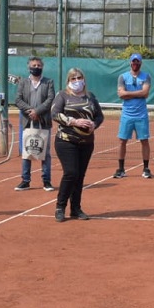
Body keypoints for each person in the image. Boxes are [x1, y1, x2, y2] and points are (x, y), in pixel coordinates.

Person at [51, 67, 104, 223]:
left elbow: (100, 116)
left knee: (80, 176)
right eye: (73, 78)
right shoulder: (62, 95)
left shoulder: (90, 96)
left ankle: (76, 208)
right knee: (71, 173)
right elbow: (54, 114)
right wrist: (73, 121)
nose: (76, 81)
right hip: (66, 141)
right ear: (68, 81)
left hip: (87, 143)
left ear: (84, 79)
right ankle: (60, 207)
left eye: (79, 78)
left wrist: (95, 124)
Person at [14, 56, 55, 192]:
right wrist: (30, 111)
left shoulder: (49, 82)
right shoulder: (23, 83)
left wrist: (37, 111)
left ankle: (47, 181)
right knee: (27, 152)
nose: (36, 67)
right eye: (34, 65)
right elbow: (18, 100)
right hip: (27, 122)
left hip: (44, 122)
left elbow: (50, 99)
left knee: (45, 153)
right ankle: (25, 181)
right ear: (28, 67)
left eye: (38, 65)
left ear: (42, 67)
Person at [114, 53, 153, 179]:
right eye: (133, 62)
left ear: (140, 63)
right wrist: (139, 93)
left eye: (137, 62)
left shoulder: (146, 76)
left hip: (141, 115)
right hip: (127, 114)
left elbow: (145, 92)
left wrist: (128, 93)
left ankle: (146, 168)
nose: (135, 64)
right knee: (122, 141)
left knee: (144, 141)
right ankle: (120, 169)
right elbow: (121, 95)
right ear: (130, 63)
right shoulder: (122, 77)